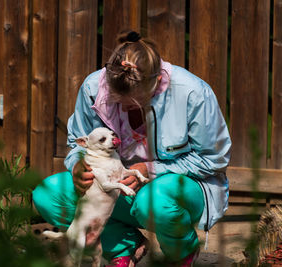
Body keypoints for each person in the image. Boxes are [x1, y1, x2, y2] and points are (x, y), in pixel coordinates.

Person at [32, 30, 231, 266]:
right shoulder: (93, 87)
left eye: (136, 102)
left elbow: (214, 159)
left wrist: (151, 169)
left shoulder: (193, 93)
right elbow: (76, 141)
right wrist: (77, 165)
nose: (125, 108)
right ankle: (123, 247)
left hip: (176, 190)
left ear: (157, 83)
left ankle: (182, 252)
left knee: (155, 199)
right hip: (116, 186)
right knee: (48, 194)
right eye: (118, 101)